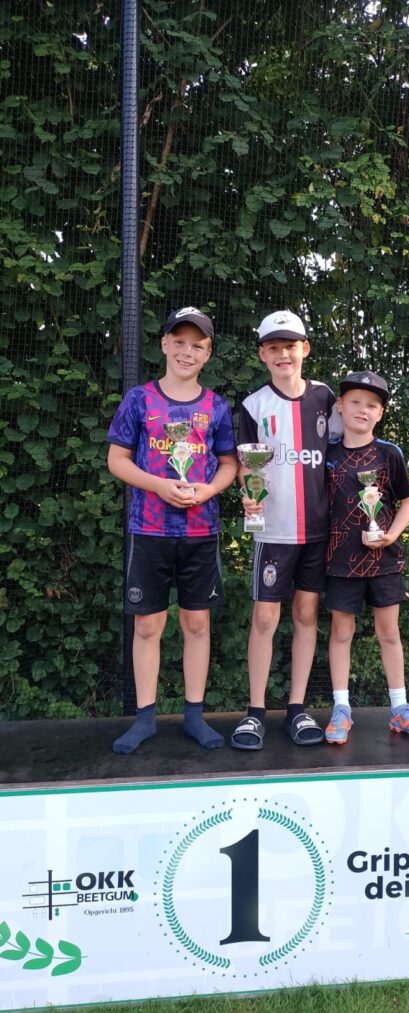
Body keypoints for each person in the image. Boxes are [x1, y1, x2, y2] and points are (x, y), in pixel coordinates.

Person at [106, 306, 238, 754]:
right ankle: (145, 719)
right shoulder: (139, 400)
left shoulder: (216, 406)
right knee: (147, 626)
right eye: (179, 342)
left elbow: (229, 464)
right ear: (163, 344)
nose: (187, 352)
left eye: (197, 345)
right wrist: (159, 485)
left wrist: (208, 490)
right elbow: (117, 460)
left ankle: (194, 717)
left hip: (200, 530)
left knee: (197, 623)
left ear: (208, 353)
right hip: (149, 529)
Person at [230, 310, 342, 750]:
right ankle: (255, 712)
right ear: (262, 354)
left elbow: (347, 448)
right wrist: (248, 492)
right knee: (264, 617)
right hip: (273, 531)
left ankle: (297, 707)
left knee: (307, 615)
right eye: (274, 347)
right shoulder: (254, 405)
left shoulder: (326, 397)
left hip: (317, 531)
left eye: (290, 346)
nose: (283, 354)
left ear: (305, 349)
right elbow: (246, 465)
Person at [324, 370, 409, 744]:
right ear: (340, 406)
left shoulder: (390, 454)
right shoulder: (326, 455)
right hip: (339, 559)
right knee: (342, 632)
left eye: (372, 405)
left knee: (389, 632)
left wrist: (392, 535)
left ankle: (400, 709)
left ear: (380, 413)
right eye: (355, 401)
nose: (362, 409)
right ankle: (341, 709)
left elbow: (408, 500)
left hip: (384, 561)